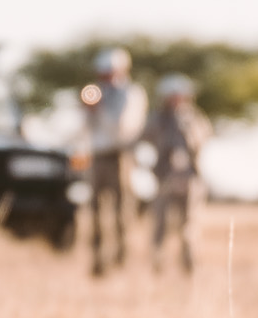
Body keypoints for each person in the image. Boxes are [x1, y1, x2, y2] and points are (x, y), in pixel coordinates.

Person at [80, 47, 147, 277]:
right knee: (95, 211)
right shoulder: (96, 92)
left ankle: (121, 259)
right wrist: (87, 110)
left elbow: (121, 126)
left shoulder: (131, 93)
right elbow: (86, 128)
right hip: (97, 157)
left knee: (122, 211)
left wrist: (99, 109)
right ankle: (98, 261)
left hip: (121, 156)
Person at [141, 73, 212, 274]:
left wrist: (186, 128)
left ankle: (190, 267)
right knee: (159, 226)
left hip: (190, 178)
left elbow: (202, 140)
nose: (175, 100)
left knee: (189, 227)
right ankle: (157, 267)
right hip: (164, 177)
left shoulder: (195, 118)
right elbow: (142, 139)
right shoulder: (157, 119)